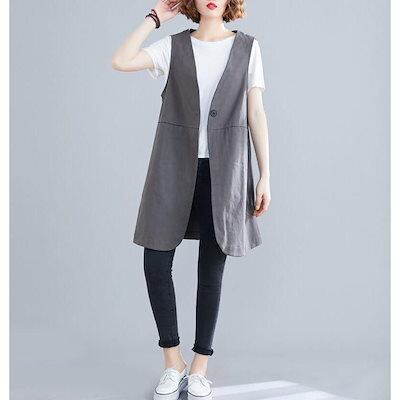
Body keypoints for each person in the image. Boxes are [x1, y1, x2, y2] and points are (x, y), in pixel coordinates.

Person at [111, 1, 271, 399]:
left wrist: (265, 174)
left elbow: (256, 112)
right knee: (155, 261)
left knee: (211, 270)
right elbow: (121, 60)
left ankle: (200, 366)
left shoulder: (248, 47)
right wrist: (154, 18)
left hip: (226, 171)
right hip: (172, 166)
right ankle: (173, 362)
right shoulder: (174, 46)